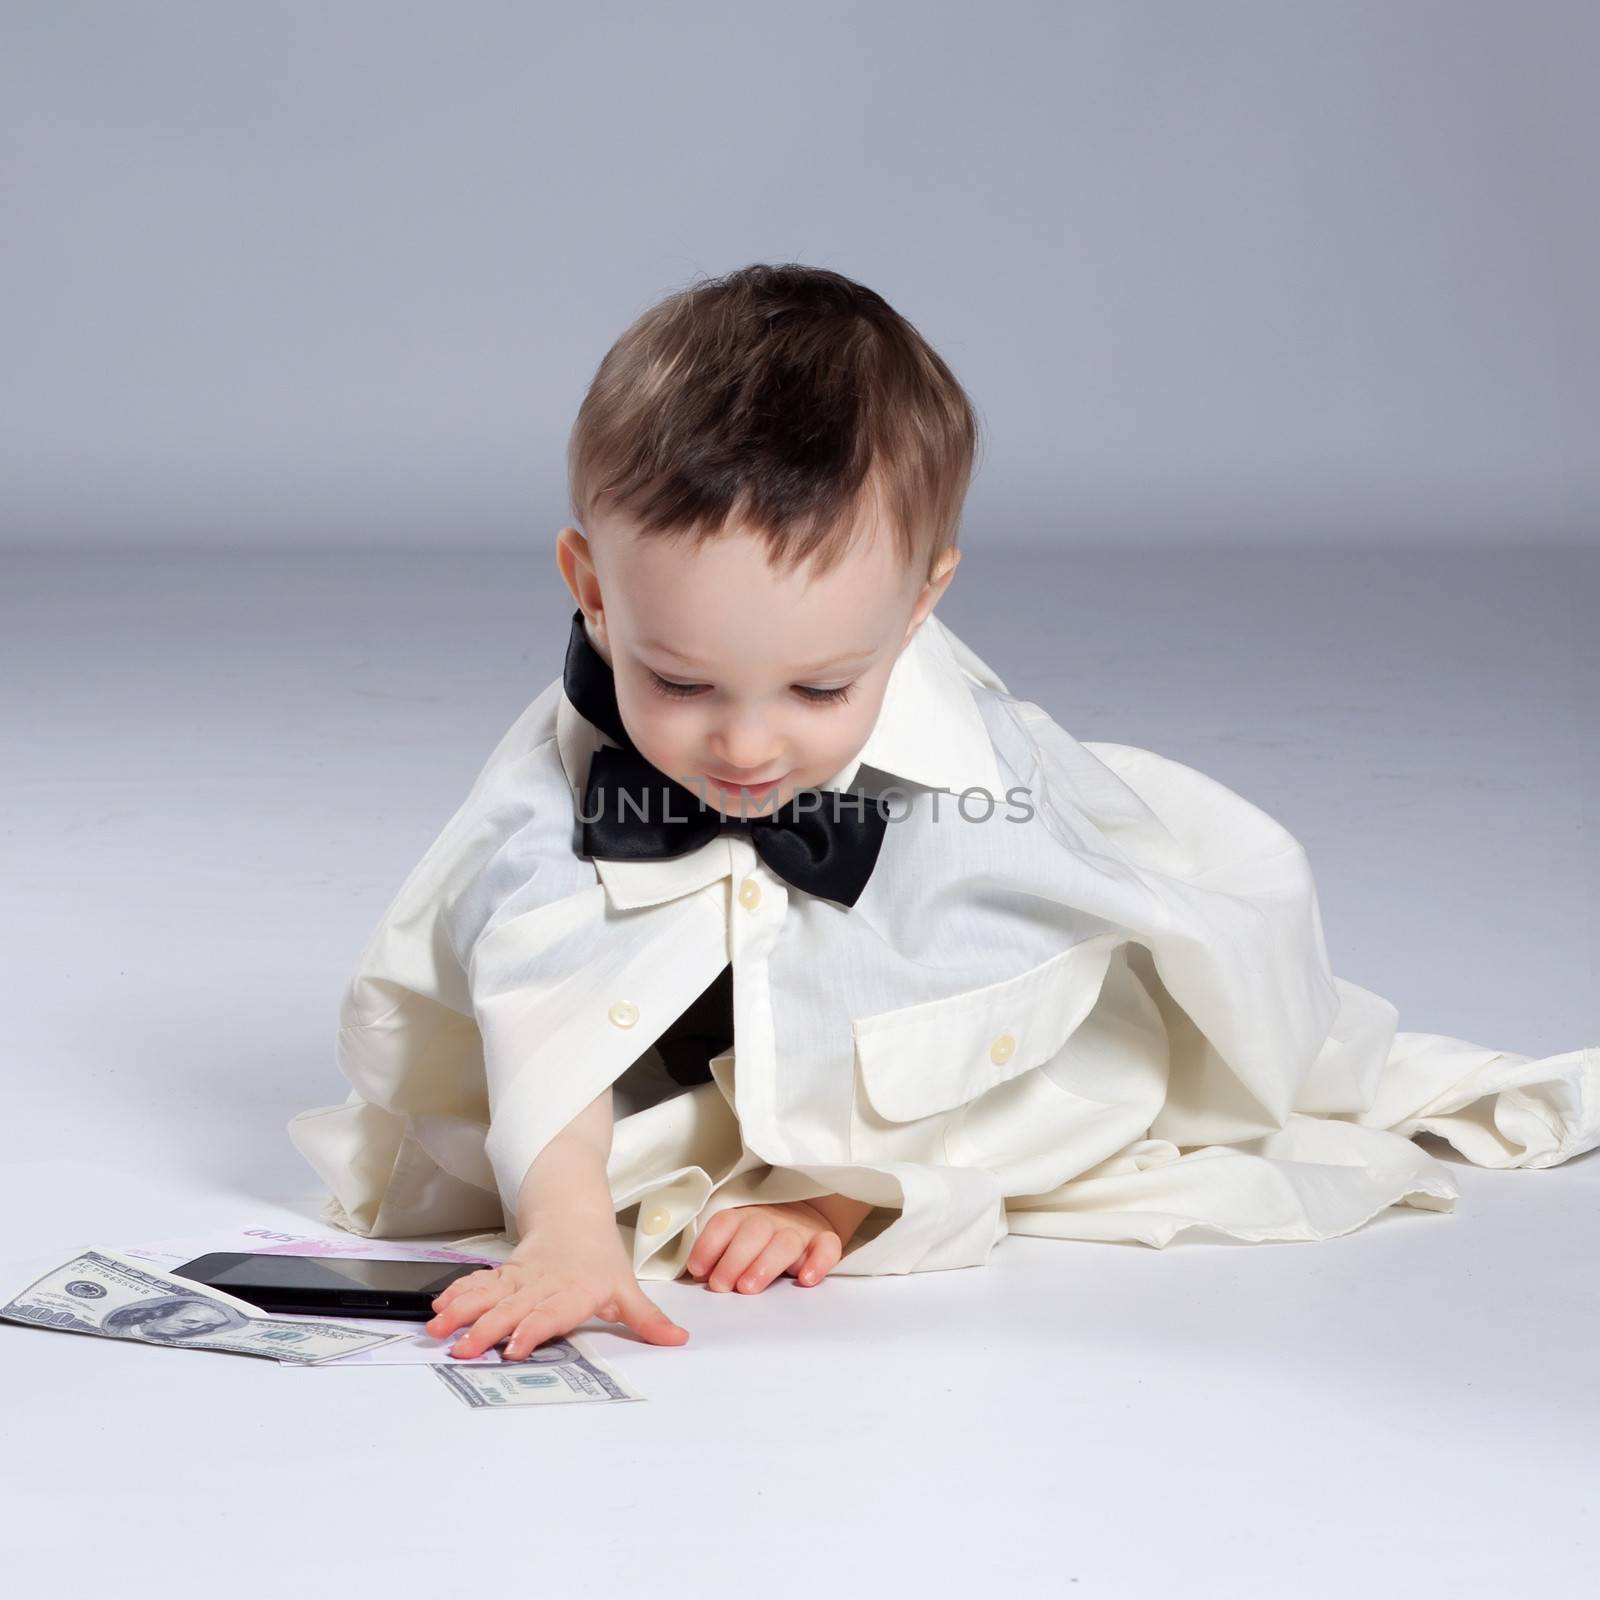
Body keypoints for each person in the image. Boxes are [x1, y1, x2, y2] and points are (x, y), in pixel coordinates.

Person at [287, 263, 1598, 1364]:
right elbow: (543, 1005)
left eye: (820, 684)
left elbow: (1002, 1006)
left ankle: (829, 1175)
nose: (747, 745)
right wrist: (566, 1229)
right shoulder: (561, 780)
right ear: (590, 588)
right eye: (678, 680)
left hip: (964, 1026)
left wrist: (845, 1188)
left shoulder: (979, 788)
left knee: (1095, 1064)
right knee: (594, 1078)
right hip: (670, 1025)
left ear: (918, 607)